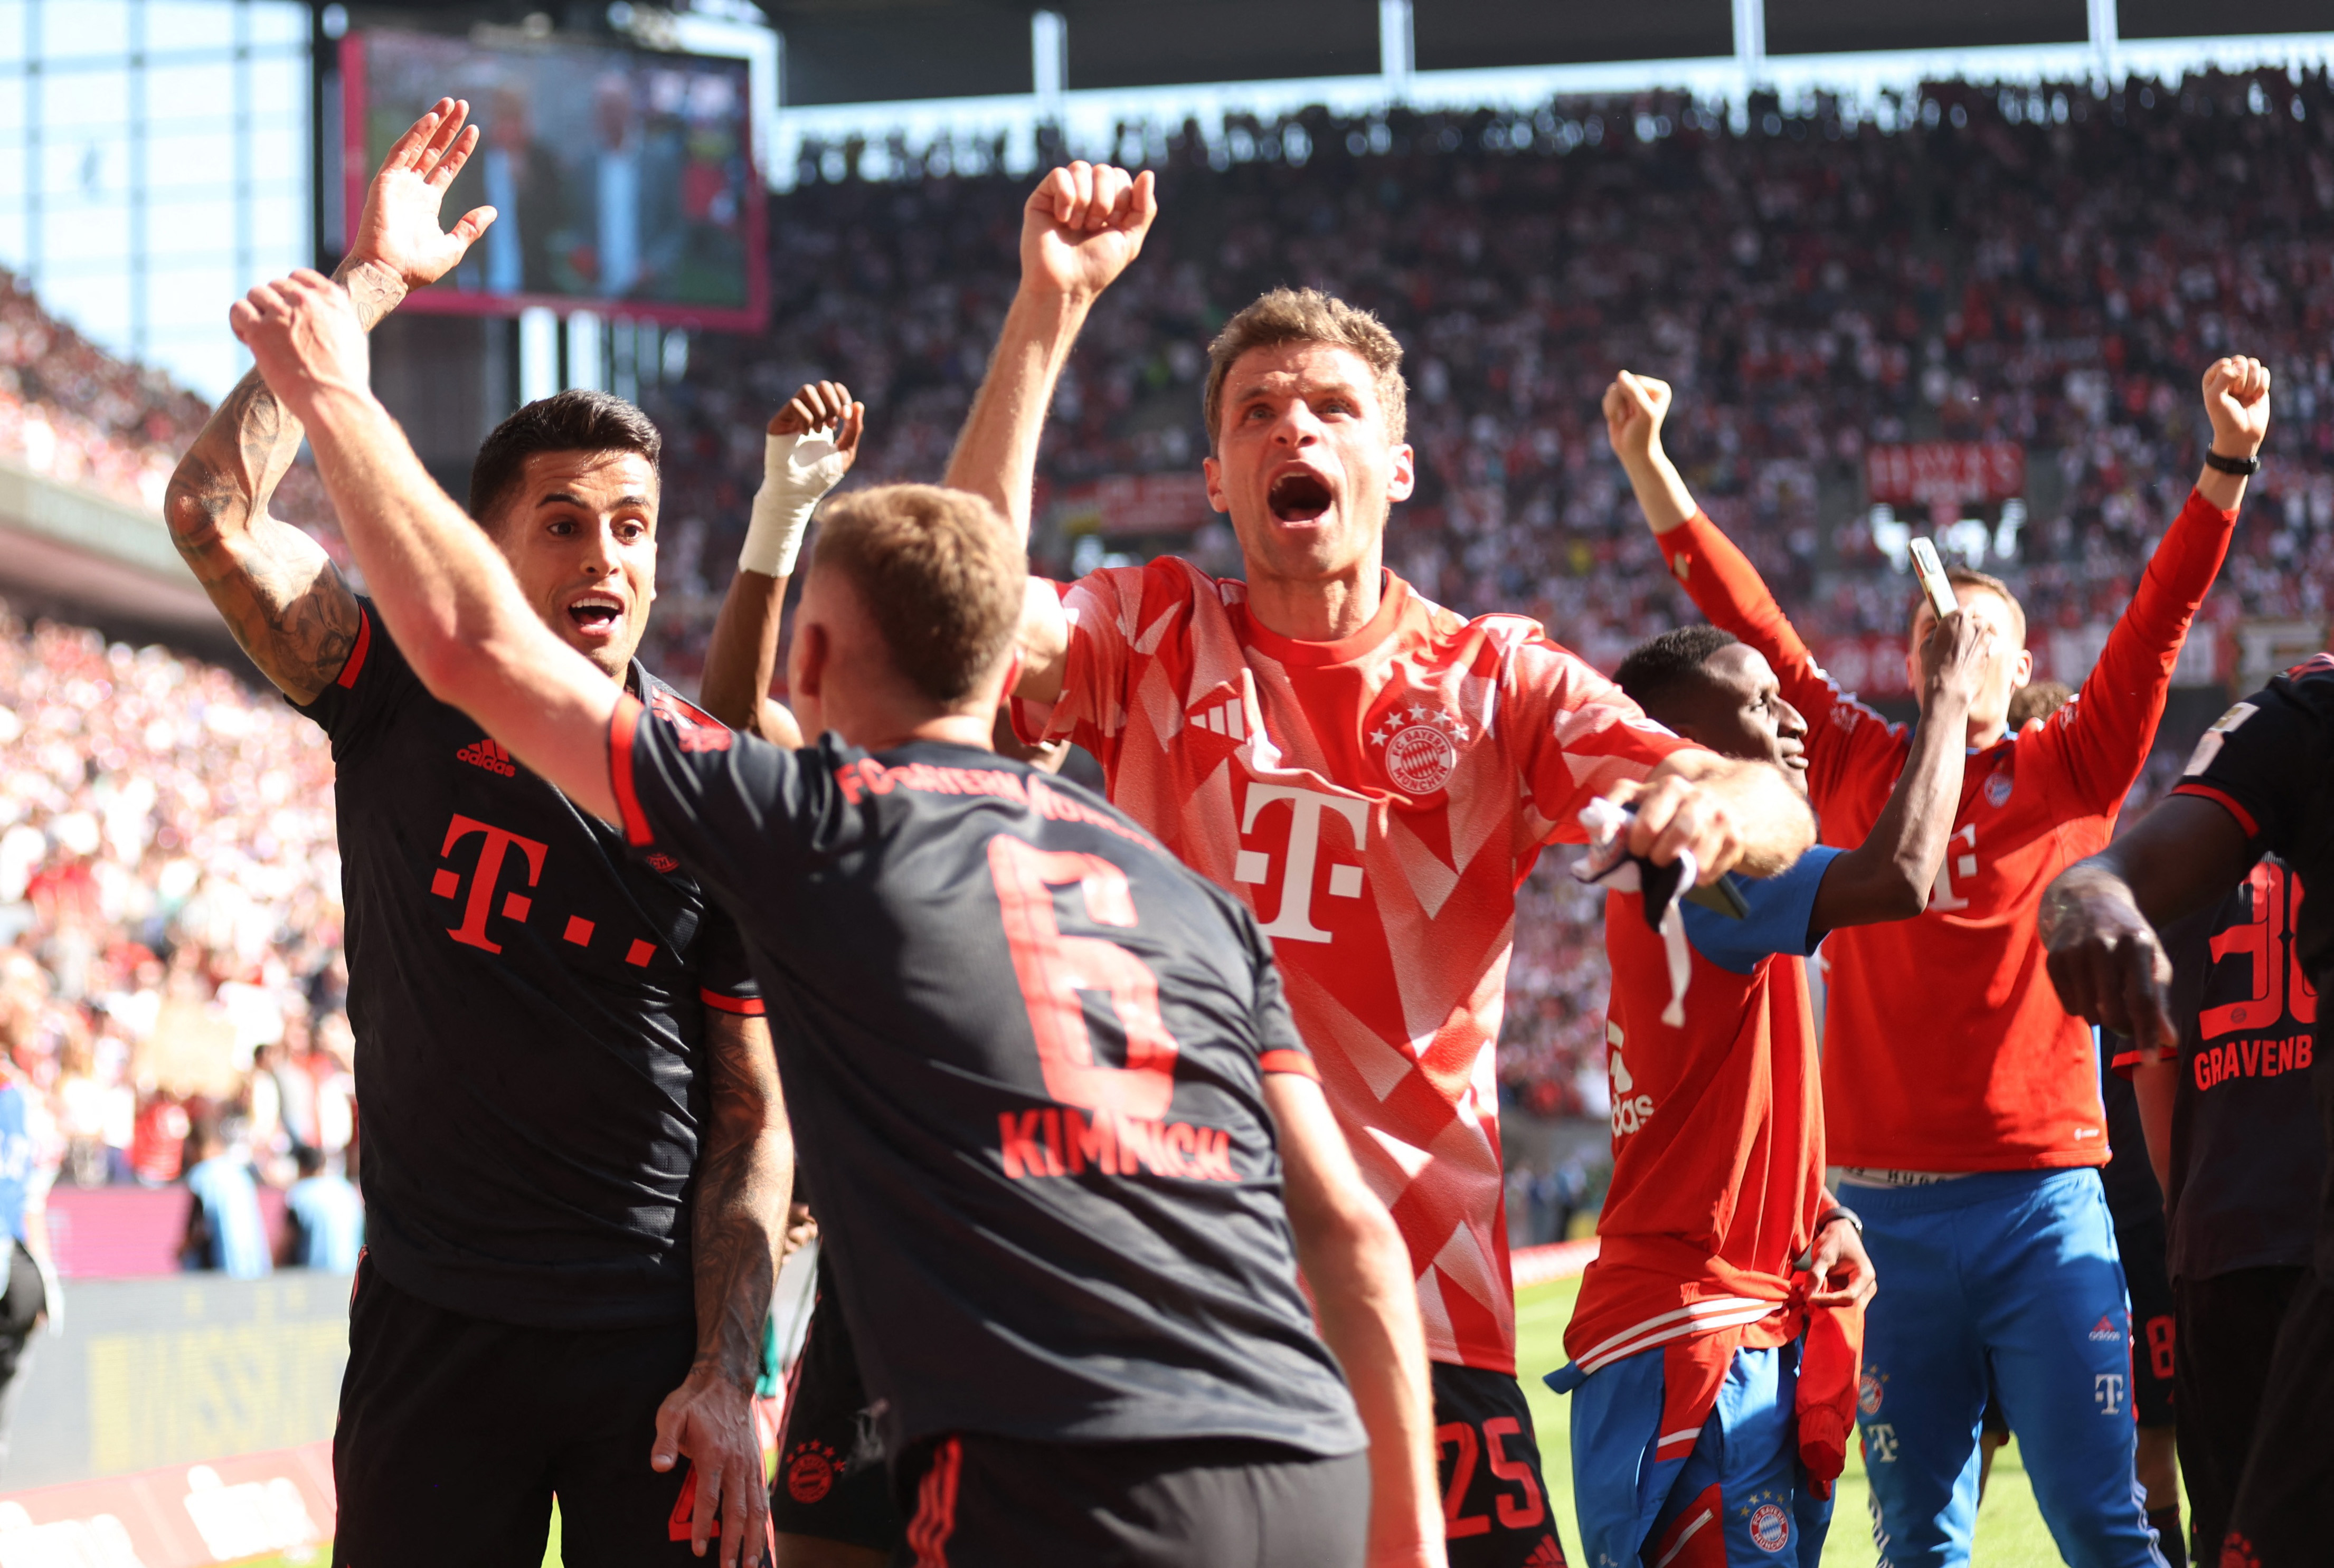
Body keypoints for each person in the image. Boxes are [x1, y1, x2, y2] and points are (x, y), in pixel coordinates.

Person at [226, 267, 1450, 1568]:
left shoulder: (822, 829)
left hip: (1054, 1463)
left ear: (807, 666)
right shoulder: (1193, 898)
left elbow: (470, 640)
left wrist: (334, 385)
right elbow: (1352, 1236)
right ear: (1006, 665)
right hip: (1304, 1453)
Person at [936, 161, 1817, 1568]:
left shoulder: (1494, 676)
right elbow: (954, 627)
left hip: (1428, 1313)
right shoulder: (1151, 630)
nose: (1294, 425)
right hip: (1186, 1295)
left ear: (1394, 467)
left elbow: (1757, 799)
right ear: (1218, 475)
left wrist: (1715, 807)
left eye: (1333, 407)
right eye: (1255, 412)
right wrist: (1047, 311)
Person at [163, 101, 787, 1568]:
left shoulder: (710, 779)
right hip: (432, 1328)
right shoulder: (391, 692)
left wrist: (730, 1366)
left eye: (630, 525)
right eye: (562, 524)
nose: (604, 558)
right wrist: (371, 285)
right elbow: (210, 508)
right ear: (485, 551)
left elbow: (754, 1118)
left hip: (649, 1339)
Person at [1605, 358, 2269, 1568]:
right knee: (1916, 1537)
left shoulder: (2072, 763)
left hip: (2042, 1204)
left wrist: (2222, 465)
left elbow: (2158, 619)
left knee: (2101, 1521)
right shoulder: (1859, 768)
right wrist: (1652, 467)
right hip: (1882, 1219)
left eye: (1976, 633)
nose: (1947, 640)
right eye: (1929, 629)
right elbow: (1749, 626)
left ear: (2016, 669)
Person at [1553, 610, 1981, 1567]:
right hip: (1695, 1337)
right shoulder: (1703, 870)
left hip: (1727, 1319)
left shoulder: (1715, 889)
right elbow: (1904, 873)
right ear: (1686, 745)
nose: (1792, 721)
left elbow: (1716, 1108)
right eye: (1759, 702)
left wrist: (1823, 1210)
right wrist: (1947, 695)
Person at [2071, 844, 2321, 1566]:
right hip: (2314, 1244)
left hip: (2218, 1249)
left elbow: (2158, 1107)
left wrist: (2193, 1222)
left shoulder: (2181, 885)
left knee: (2235, 1529)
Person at [179, 1110, 270, 1278]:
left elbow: (198, 1227)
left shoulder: (202, 1176)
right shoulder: (240, 1174)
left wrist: (183, 1249)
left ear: (195, 1146)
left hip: (220, 1272)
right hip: (252, 1268)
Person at [280, 1143, 365, 1273]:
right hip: (351, 1274)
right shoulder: (347, 1191)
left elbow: (287, 1243)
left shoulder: (299, 1195)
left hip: (314, 1279)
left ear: (301, 1168)